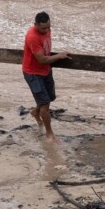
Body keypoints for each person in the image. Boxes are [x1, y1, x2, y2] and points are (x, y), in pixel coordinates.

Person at [22, 11, 69, 140]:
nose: (47, 30)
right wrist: (59, 56)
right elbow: (42, 59)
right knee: (45, 104)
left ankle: (35, 112)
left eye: (49, 27)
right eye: (43, 28)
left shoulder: (46, 30)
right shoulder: (32, 37)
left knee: (49, 98)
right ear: (35, 25)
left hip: (45, 70)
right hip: (33, 73)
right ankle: (49, 134)